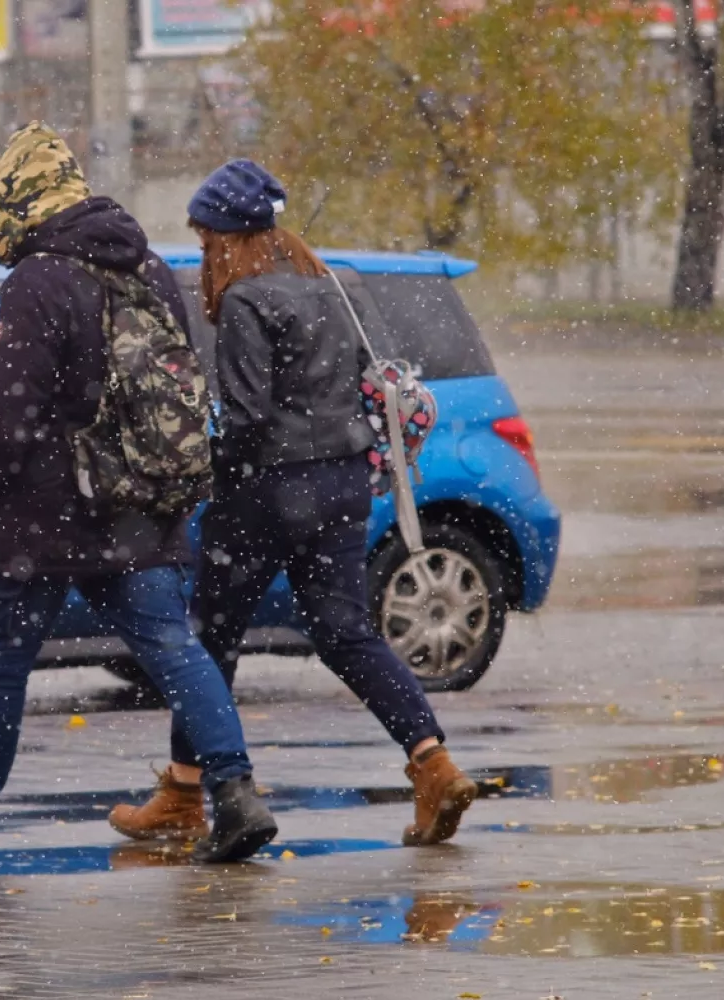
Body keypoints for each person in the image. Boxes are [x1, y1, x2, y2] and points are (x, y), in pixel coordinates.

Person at [0, 124, 278, 865]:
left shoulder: (37, 279)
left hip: (38, 520)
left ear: (17, 200)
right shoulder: (149, 269)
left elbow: (6, 414)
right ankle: (236, 792)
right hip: (137, 510)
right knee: (175, 649)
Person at [110, 160, 477, 848]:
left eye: (207, 237)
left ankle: (188, 796)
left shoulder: (247, 300)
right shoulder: (325, 286)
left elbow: (246, 420)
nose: (206, 251)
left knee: (208, 642)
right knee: (346, 633)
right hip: (341, 483)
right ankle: (433, 762)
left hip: (268, 491)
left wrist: (202, 464)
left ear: (227, 236)